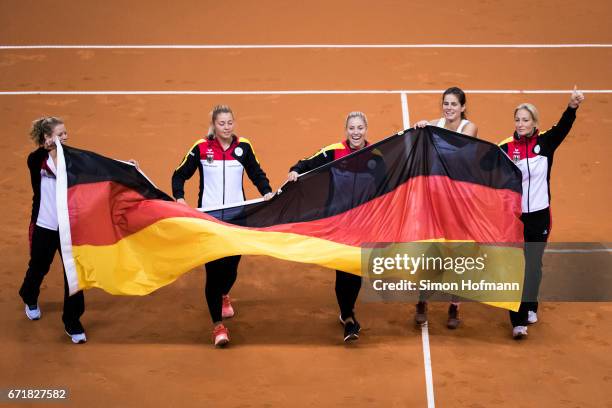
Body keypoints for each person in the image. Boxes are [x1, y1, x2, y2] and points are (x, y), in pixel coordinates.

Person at [172, 105, 274, 347]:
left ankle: (224, 294)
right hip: (210, 219)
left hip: (237, 218)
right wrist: (179, 197)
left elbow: (256, 173)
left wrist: (267, 192)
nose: (226, 127)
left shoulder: (244, 147)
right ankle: (218, 326)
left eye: (230, 122)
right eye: (222, 123)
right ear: (214, 126)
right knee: (214, 272)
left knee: (231, 268)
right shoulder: (200, 148)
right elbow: (179, 174)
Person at [287, 111, 385, 342]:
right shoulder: (334, 151)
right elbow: (307, 163)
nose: (356, 132)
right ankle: (348, 316)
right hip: (339, 222)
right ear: (346, 130)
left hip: (362, 223)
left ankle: (346, 311)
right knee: (343, 271)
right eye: (352, 128)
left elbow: (387, 187)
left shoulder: (377, 156)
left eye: (360, 128)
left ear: (366, 129)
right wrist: (295, 170)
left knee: (355, 270)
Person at [499, 86, 585, 339]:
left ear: (534, 122)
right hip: (515, 218)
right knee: (519, 267)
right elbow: (480, 163)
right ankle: (519, 320)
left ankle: (531, 304)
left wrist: (572, 106)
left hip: (539, 215)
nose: (521, 124)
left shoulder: (545, 142)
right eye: (517, 119)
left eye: (525, 120)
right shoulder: (505, 147)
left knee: (534, 266)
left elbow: (563, 128)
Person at [413, 86, 479, 329]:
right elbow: (427, 128)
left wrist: (430, 129)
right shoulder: (436, 124)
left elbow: (457, 148)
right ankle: (422, 301)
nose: (449, 108)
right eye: (445, 103)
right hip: (436, 200)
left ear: (462, 107)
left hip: (460, 202)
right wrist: (423, 126)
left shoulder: (468, 128)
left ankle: (454, 306)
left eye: (453, 104)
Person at [18, 116, 87, 344]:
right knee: (39, 266)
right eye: (61, 134)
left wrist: (124, 167)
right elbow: (48, 161)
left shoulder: (73, 157)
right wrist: (52, 149)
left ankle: (72, 321)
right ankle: (29, 295)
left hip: (70, 227)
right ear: (47, 138)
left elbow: (96, 167)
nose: (66, 137)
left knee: (73, 275)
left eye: (66, 133)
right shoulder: (35, 160)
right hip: (44, 225)